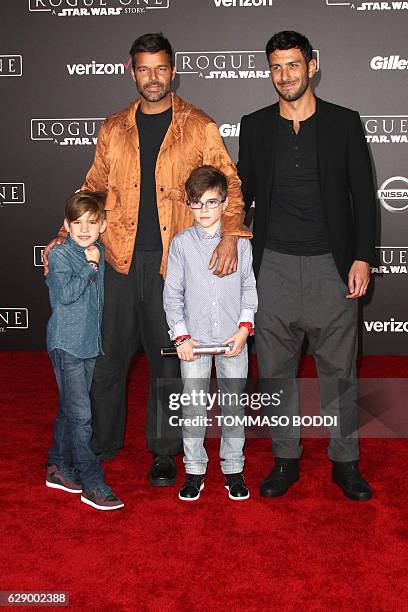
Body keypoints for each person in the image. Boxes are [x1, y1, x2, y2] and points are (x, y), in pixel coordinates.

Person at [44, 33, 250, 487]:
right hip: (116, 259)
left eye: (161, 68)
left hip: (174, 263)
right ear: (130, 71)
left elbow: (230, 185)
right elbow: (93, 186)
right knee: (108, 358)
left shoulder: (198, 124)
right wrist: (63, 235)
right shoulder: (114, 126)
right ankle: (100, 444)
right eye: (144, 68)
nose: (152, 77)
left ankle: (164, 451)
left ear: (173, 71)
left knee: (168, 363)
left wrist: (231, 234)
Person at [237, 31, 377, 501]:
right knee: (276, 371)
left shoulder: (343, 123)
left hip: (330, 267)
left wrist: (361, 256)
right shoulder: (254, 126)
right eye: (276, 67)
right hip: (272, 266)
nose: (285, 76)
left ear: (312, 65)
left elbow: (364, 197)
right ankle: (284, 459)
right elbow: (243, 198)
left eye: (293, 65)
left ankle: (346, 463)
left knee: (340, 371)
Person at [163, 166, 258, 501]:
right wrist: (182, 337)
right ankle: (194, 470)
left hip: (234, 340)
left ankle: (233, 468)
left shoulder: (241, 243)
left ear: (225, 202)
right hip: (196, 344)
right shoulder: (181, 244)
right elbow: (172, 295)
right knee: (194, 406)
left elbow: (248, 287)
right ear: (188, 205)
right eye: (196, 203)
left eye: (211, 202)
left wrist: (245, 330)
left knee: (233, 405)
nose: (203, 210)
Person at [45, 191, 124, 511]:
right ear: (66, 225)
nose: (84, 228)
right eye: (77, 223)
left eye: (92, 222)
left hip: (89, 343)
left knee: (70, 408)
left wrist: (95, 260)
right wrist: (90, 267)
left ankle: (56, 466)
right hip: (66, 344)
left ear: (102, 225)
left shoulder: (99, 250)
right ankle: (92, 482)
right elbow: (66, 295)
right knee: (82, 417)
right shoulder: (62, 255)